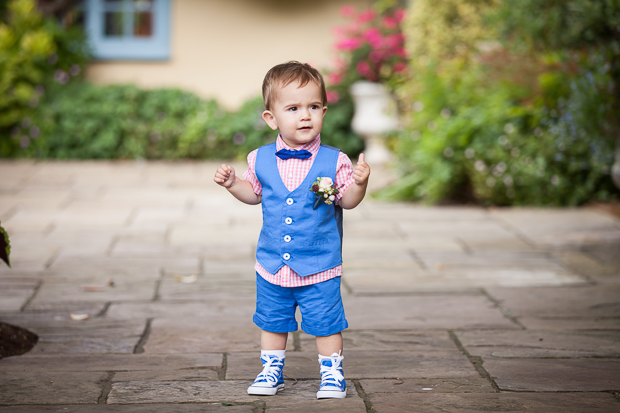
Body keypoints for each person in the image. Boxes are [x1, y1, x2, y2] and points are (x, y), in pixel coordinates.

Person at [213, 61, 370, 399]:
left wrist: (359, 183)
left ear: (324, 112)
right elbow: (254, 195)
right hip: (272, 265)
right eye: (294, 108)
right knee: (272, 321)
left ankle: (332, 374)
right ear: (271, 118)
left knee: (326, 322)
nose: (305, 116)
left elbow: (347, 202)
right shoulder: (260, 159)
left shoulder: (336, 161)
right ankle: (272, 370)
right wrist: (232, 184)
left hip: (319, 265)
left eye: (313, 107)